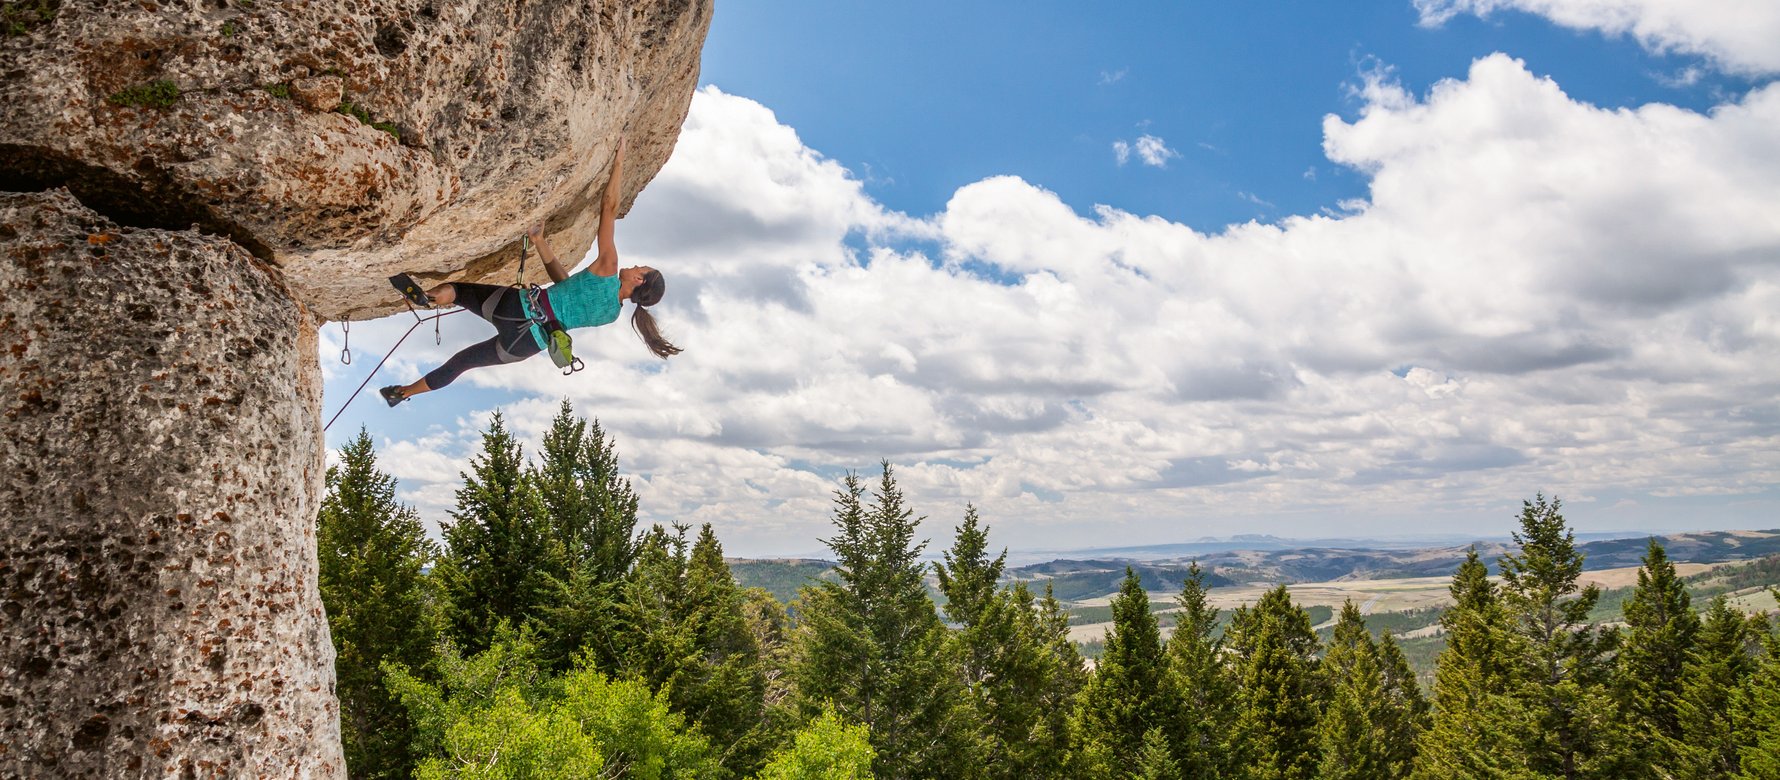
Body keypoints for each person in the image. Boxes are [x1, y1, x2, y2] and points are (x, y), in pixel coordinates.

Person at [380, 139, 679, 406]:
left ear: (639, 280)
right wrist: (539, 241)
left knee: (457, 291)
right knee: (462, 362)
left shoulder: (609, 267)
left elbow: (609, 207)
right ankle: (403, 393)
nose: (636, 266)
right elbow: (567, 285)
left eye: (642, 268)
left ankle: (427, 297)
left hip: (518, 307)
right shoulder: (611, 314)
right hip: (527, 345)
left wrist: (619, 161)